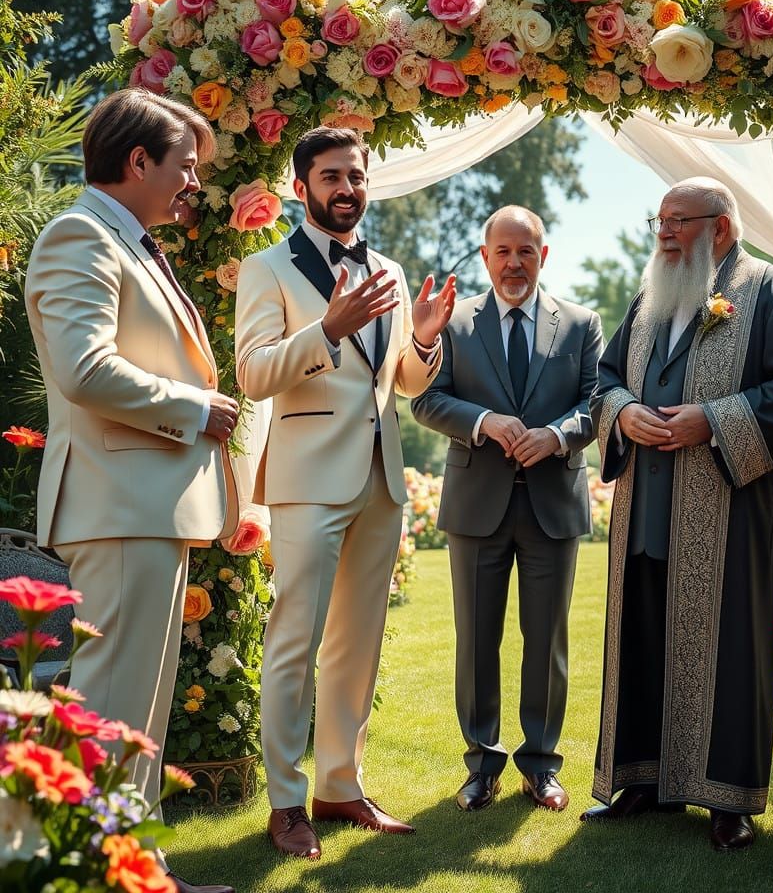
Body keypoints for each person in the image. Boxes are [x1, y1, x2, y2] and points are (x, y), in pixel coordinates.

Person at [24, 87, 239, 893]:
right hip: (116, 505)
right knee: (112, 707)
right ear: (137, 160)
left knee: (136, 718)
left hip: (145, 506)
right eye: (183, 166)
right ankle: (92, 876)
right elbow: (83, 370)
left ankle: (134, 870)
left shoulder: (131, 240)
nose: (193, 183)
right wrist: (195, 407)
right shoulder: (80, 235)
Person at [234, 126, 456, 860]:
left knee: (357, 645)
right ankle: (286, 802)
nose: (347, 189)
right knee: (293, 643)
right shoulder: (267, 269)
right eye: (331, 177)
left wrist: (422, 340)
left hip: (379, 478)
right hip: (305, 478)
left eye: (356, 176)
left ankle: (340, 783)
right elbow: (254, 374)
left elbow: (400, 379)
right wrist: (325, 329)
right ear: (302, 188)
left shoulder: (387, 268)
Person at [582, 177, 773, 850]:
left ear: (722, 228)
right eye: (661, 220)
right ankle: (646, 781)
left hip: (727, 511)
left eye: (678, 221)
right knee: (645, 637)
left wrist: (709, 422)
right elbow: (605, 377)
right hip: (645, 510)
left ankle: (728, 800)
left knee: (728, 649)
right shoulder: (652, 296)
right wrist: (624, 411)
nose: (664, 232)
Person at [411, 206, 603, 814]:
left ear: (543, 256)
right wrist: (484, 422)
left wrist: (558, 436)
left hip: (553, 503)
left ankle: (541, 767)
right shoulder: (454, 322)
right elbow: (425, 400)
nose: (514, 263)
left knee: (546, 641)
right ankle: (481, 764)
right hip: (476, 505)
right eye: (503, 252)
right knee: (475, 641)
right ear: (486, 255)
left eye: (526, 251)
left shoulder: (580, 323)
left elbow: (599, 400)